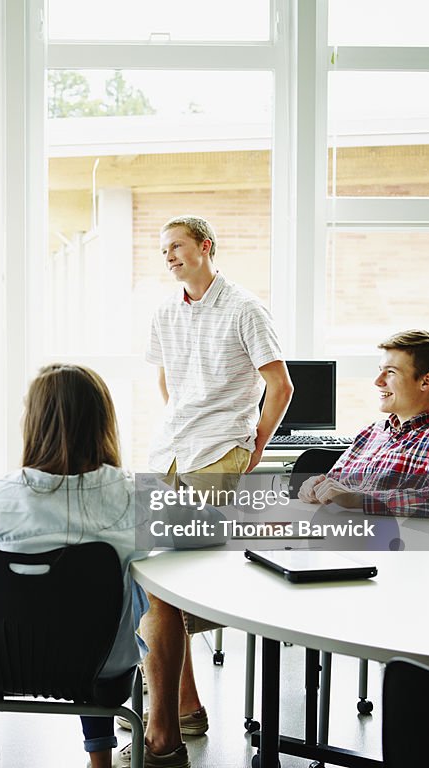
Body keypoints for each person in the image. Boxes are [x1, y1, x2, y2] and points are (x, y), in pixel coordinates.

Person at [132, 215, 293, 767]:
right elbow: (166, 382)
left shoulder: (245, 307)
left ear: (205, 247)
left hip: (221, 450)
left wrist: (254, 445)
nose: (169, 256)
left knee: (168, 579)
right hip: (171, 450)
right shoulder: (163, 312)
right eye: (163, 249)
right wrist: (181, 417)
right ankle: (186, 706)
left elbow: (280, 384)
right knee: (156, 578)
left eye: (176, 246)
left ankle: (169, 724)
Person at [0, 364, 147, 768]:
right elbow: (203, 532)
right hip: (99, 668)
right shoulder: (133, 495)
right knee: (89, 617)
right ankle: (100, 758)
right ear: (102, 421)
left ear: (34, 422)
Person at [299, 329, 429, 520]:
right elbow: (333, 485)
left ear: (426, 382)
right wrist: (315, 487)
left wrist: (361, 499)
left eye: (391, 372)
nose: (378, 381)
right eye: (380, 371)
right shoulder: (372, 432)